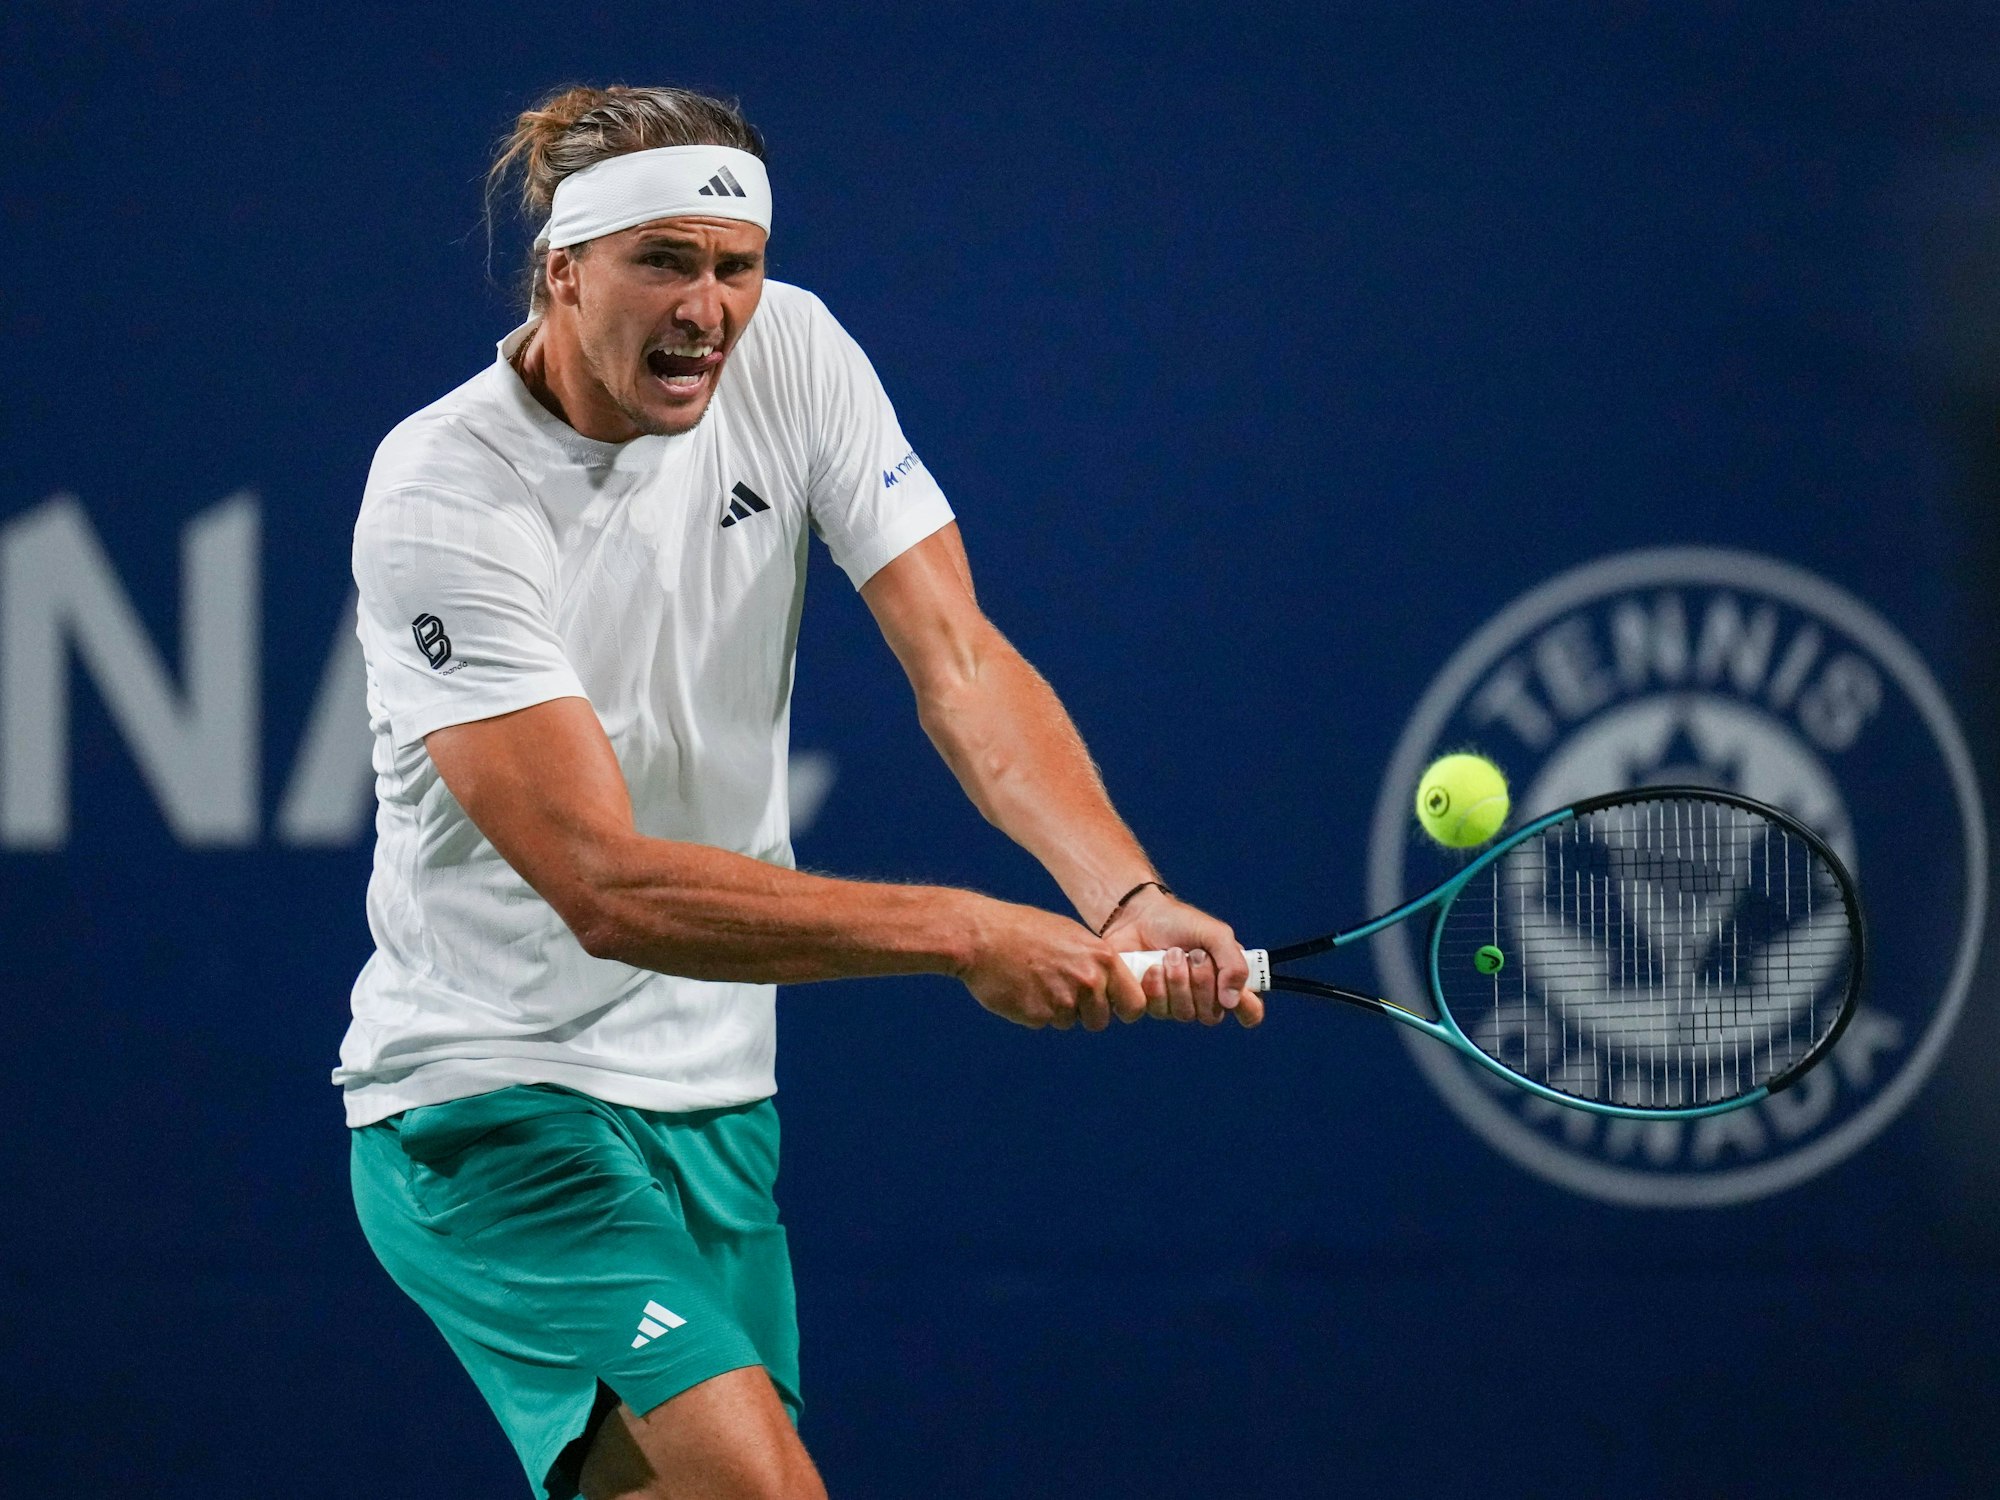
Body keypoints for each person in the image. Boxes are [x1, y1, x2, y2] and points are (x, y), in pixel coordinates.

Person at [337, 83, 1263, 1500]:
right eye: (664, 262)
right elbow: (602, 881)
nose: (708, 308)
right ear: (562, 270)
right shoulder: (441, 492)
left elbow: (959, 661)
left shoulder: (800, 356)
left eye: (736, 267)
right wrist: (965, 932)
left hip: (718, 1106)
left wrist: (1123, 893)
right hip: (491, 1103)